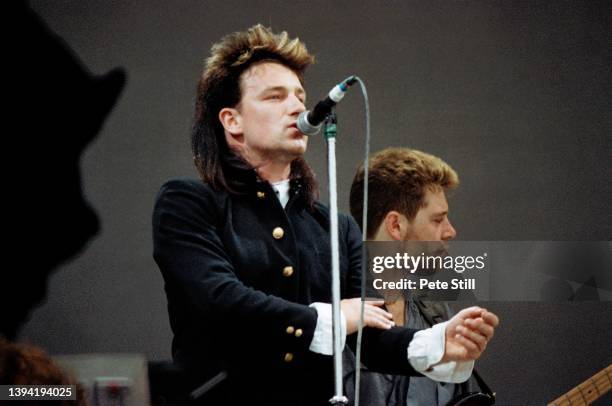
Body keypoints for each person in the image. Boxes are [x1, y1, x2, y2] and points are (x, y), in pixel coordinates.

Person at [152, 25, 498, 406]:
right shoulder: (189, 202)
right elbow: (218, 299)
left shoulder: (335, 227)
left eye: (300, 95)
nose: (298, 107)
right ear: (232, 121)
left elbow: (371, 331)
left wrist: (438, 343)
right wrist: (329, 319)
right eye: (275, 96)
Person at [348, 147, 481, 405]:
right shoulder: (334, 319)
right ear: (395, 225)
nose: (450, 231)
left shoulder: (438, 316)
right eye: (437, 220)